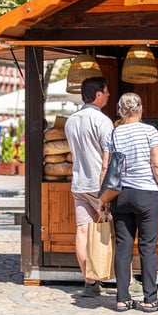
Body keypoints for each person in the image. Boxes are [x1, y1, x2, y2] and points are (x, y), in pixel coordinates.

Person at [102, 92, 158, 313]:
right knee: (148, 247)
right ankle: (150, 299)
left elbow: (105, 167)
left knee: (123, 246)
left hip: (120, 195)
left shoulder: (113, 134)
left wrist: (102, 198)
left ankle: (122, 299)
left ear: (120, 112)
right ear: (140, 109)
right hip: (146, 194)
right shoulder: (150, 131)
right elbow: (157, 163)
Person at [64, 77, 113, 297]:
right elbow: (108, 157)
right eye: (106, 91)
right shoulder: (103, 121)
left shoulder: (71, 121)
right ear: (98, 95)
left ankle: (89, 281)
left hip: (79, 182)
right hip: (99, 184)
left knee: (82, 230)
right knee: (117, 230)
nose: (109, 95)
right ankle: (127, 279)